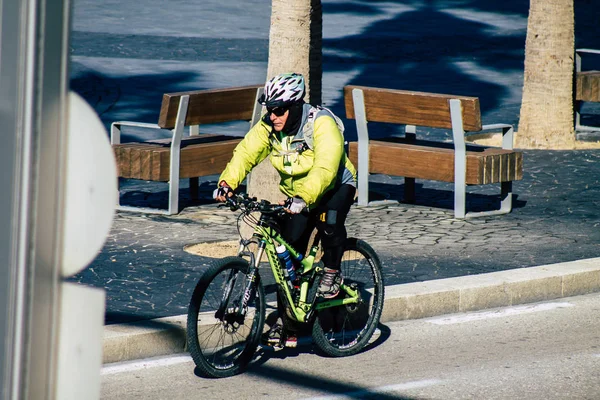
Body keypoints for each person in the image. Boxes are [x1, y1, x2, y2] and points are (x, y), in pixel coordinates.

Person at [214, 73, 357, 345]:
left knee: (329, 222)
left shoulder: (320, 124)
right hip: (297, 196)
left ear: (295, 105)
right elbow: (246, 152)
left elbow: (326, 168)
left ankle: (332, 272)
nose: (273, 115)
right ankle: (289, 323)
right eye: (269, 109)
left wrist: (303, 197)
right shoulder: (270, 125)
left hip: (334, 186)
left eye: (279, 110)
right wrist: (227, 183)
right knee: (286, 256)